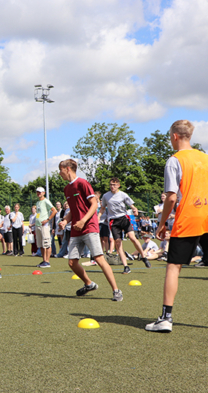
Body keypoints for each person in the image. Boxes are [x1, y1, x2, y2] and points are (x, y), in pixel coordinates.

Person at [146, 120, 208, 332]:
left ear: (174, 136)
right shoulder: (205, 158)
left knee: (173, 266)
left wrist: (162, 223)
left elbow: (171, 198)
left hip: (189, 217)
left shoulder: (174, 160)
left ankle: (165, 318)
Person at [58, 159, 123, 301]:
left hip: (89, 227)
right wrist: (65, 221)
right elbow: (73, 210)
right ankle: (89, 284)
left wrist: (83, 221)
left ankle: (116, 290)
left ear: (68, 168)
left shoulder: (83, 183)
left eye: (60, 169)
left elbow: (94, 204)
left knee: (99, 259)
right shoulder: (66, 189)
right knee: (72, 263)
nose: (59, 173)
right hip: (76, 229)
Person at [99, 177, 151, 274]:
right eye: (111, 184)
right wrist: (98, 217)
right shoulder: (106, 196)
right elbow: (102, 208)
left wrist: (134, 209)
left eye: (114, 185)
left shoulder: (123, 194)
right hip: (113, 221)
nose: (112, 186)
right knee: (118, 243)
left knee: (132, 238)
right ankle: (126, 266)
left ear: (118, 185)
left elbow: (131, 205)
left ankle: (144, 257)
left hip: (123, 218)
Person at [34, 187, 57, 267]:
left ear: (44, 193)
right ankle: (44, 260)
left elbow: (54, 210)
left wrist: (47, 219)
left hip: (45, 226)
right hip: (38, 225)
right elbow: (38, 213)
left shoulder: (46, 201)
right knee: (41, 244)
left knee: (47, 244)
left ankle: (47, 261)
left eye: (40, 192)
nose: (38, 193)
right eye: (37, 192)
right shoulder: (37, 202)